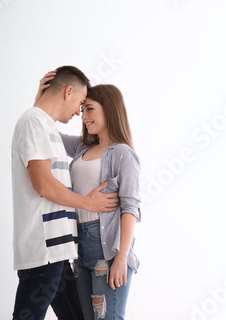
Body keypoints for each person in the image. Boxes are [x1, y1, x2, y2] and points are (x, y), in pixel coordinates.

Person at [11, 66, 119, 320]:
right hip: (44, 252)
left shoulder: (43, 125)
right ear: (68, 91)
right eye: (80, 103)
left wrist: (39, 103)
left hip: (57, 251)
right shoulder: (34, 122)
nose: (79, 113)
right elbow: (44, 185)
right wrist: (88, 203)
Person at [35, 72, 141, 320]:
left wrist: (121, 258)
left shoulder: (123, 154)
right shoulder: (82, 147)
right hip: (79, 246)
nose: (83, 117)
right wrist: (41, 100)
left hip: (107, 250)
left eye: (90, 109)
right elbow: (43, 134)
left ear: (110, 109)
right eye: (82, 109)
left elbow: (130, 209)